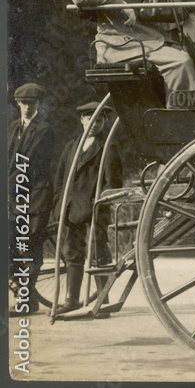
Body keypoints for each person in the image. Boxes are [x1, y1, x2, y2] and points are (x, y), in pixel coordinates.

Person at [52, 102, 122, 316]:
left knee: (98, 254)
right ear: (82, 120)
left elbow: (113, 184)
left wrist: (100, 203)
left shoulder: (107, 147)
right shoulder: (71, 146)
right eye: (90, 119)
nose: (94, 124)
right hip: (72, 210)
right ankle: (72, 300)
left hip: (94, 210)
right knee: (72, 253)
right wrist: (59, 205)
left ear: (104, 123)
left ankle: (102, 303)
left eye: (99, 120)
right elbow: (61, 180)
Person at [7, 83, 57, 315]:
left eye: (32, 103)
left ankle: (27, 301)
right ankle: (21, 292)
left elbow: (30, 164)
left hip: (35, 197)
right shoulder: (11, 128)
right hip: (13, 198)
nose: (28, 107)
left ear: (38, 105)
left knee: (29, 250)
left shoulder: (44, 130)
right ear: (17, 103)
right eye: (24, 103)